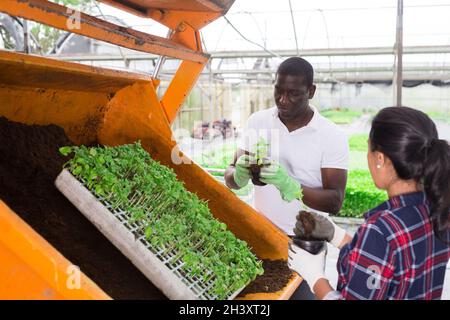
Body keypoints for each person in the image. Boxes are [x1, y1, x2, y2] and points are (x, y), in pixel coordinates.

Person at [289, 106, 450, 300]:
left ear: (380, 158)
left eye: (368, 149)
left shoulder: (381, 230)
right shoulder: (438, 209)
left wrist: (315, 277)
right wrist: (337, 236)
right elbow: (388, 264)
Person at [224, 57, 349, 299]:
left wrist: (291, 185)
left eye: (293, 94)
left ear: (311, 91)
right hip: (259, 235)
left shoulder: (330, 135)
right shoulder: (258, 121)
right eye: (278, 91)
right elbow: (230, 177)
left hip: (305, 243)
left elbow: (335, 201)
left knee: (299, 295)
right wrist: (238, 174)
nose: (283, 100)